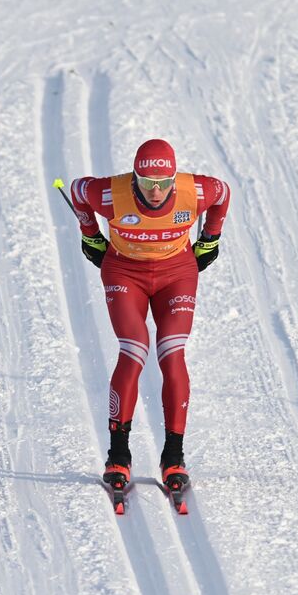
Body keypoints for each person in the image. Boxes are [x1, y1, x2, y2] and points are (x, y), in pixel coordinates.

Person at [69, 138, 230, 495]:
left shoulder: (197, 190)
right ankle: (118, 455)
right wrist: (90, 234)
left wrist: (210, 240)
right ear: (134, 179)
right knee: (134, 349)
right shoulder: (110, 193)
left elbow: (223, 194)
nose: (155, 192)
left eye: (163, 183)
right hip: (125, 273)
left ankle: (174, 455)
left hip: (177, 273)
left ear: (174, 178)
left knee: (172, 354)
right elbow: (78, 191)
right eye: (145, 183)